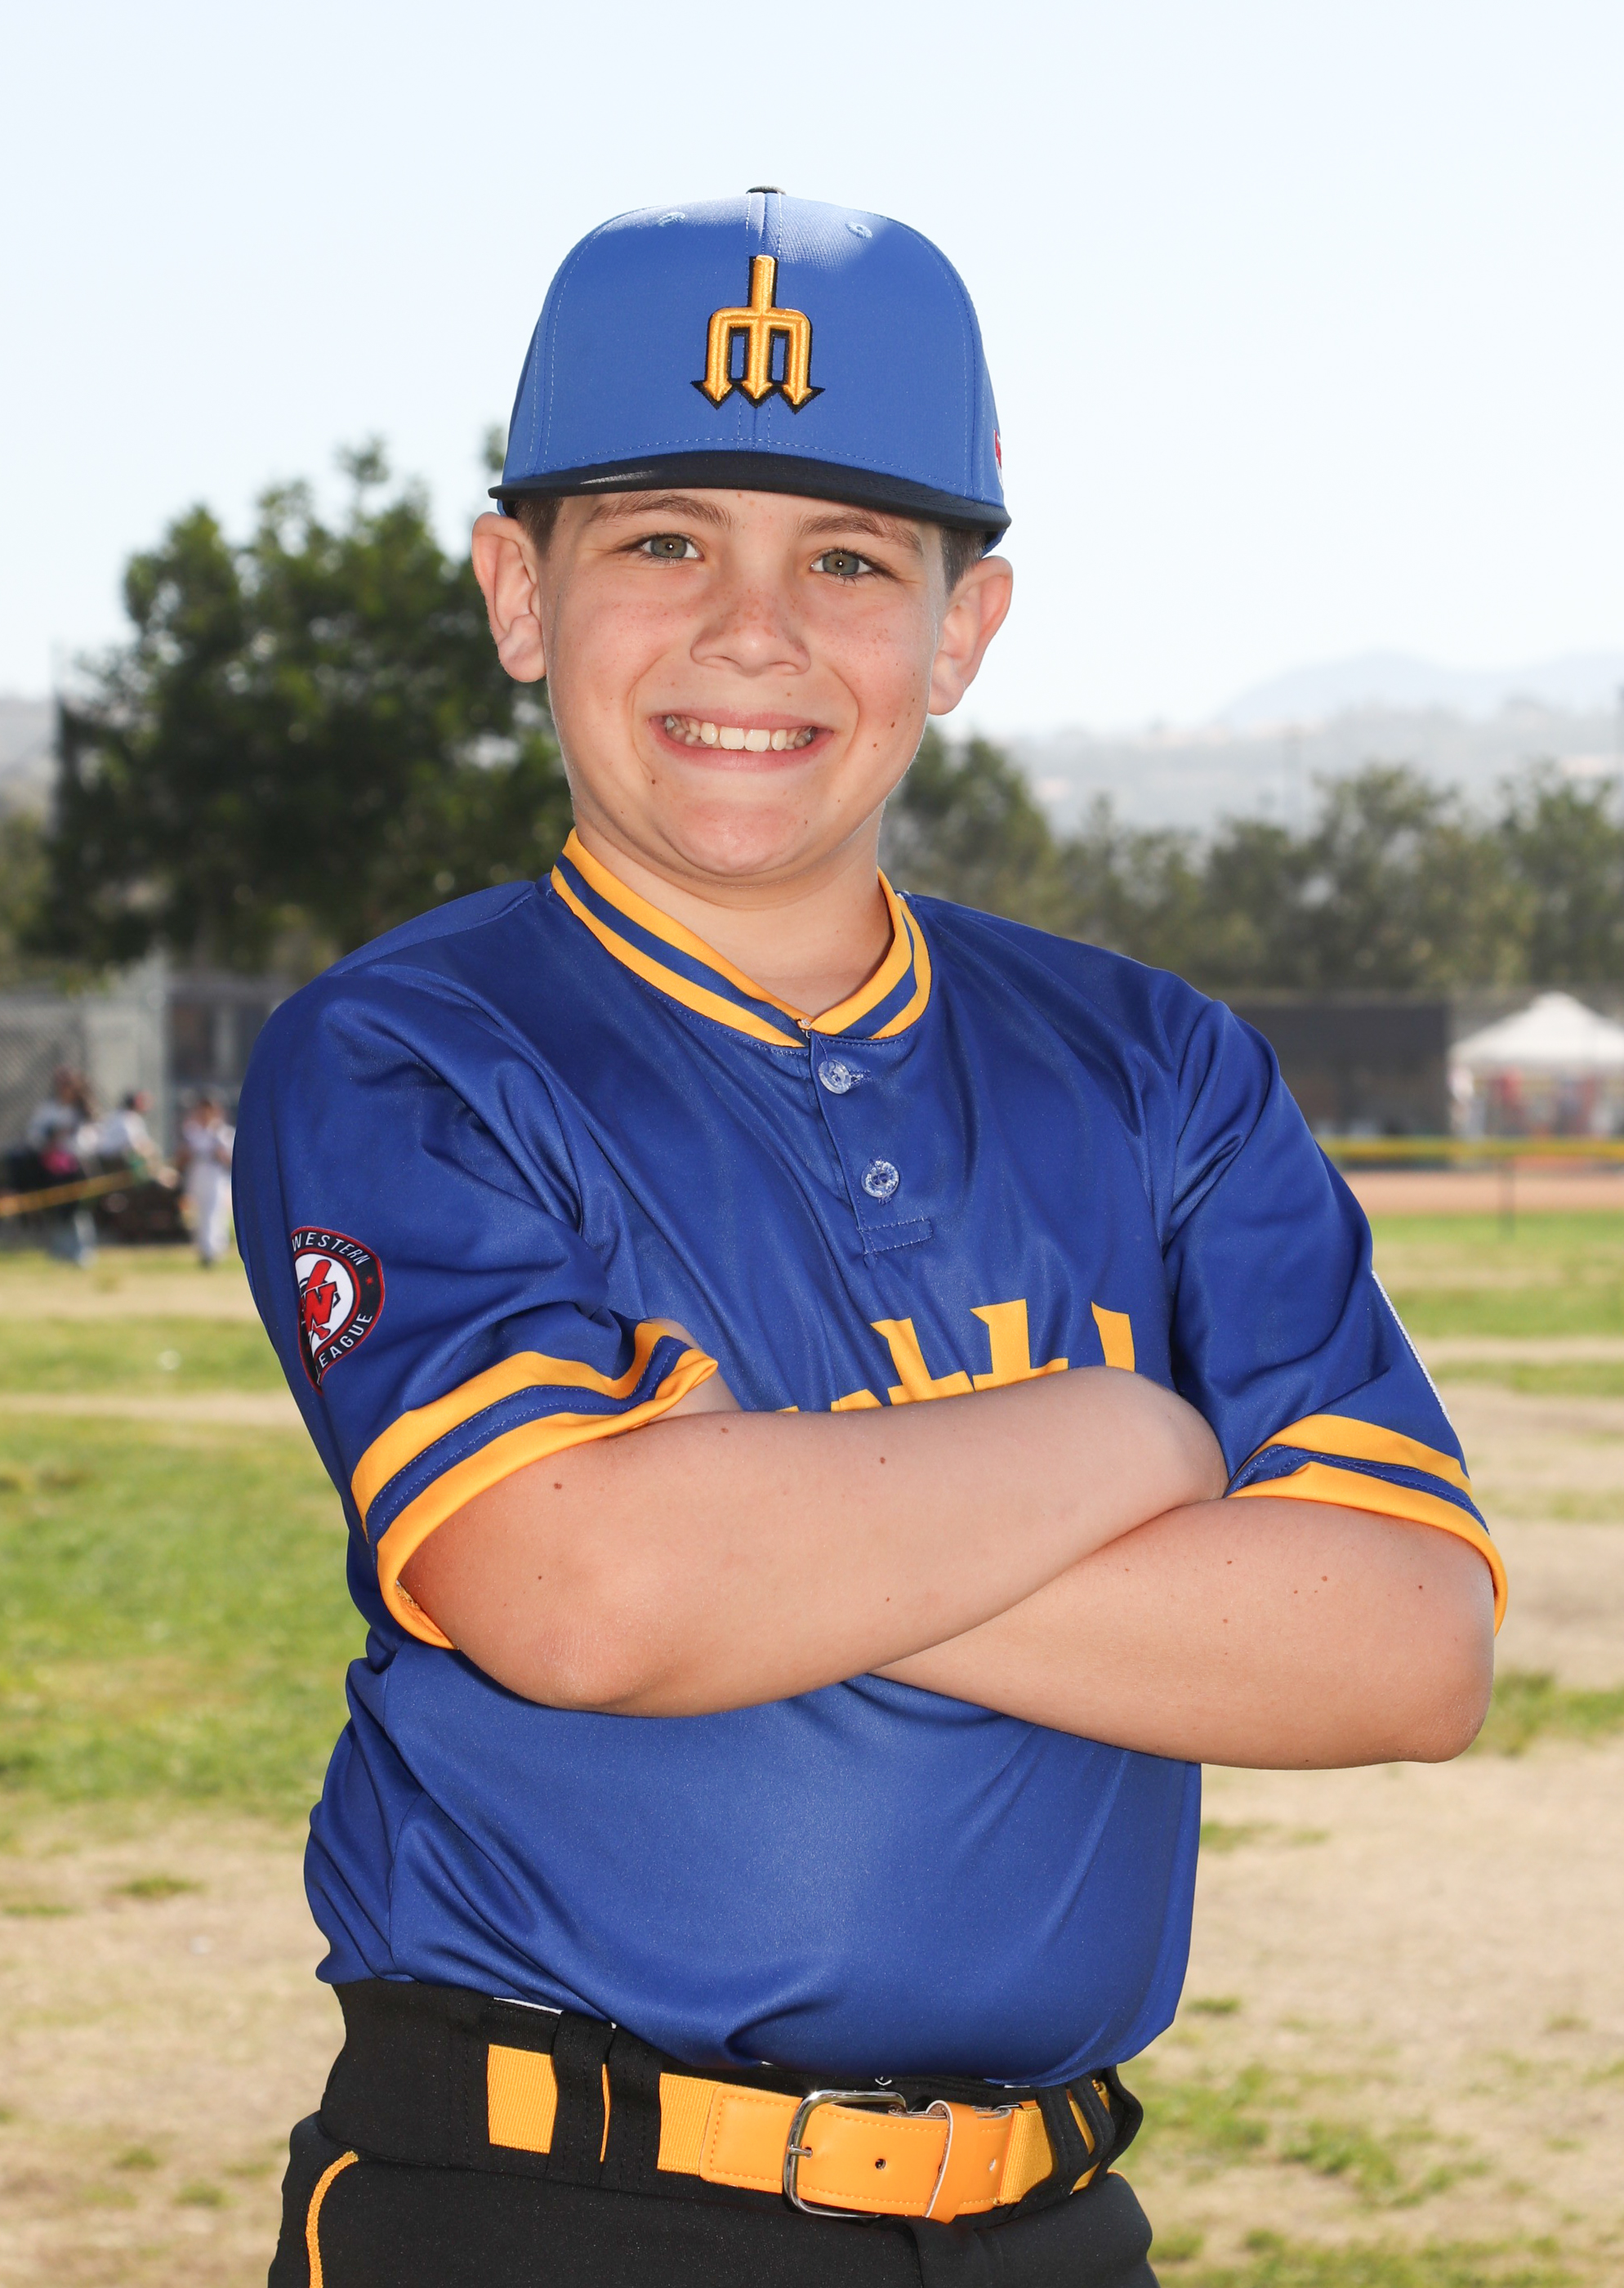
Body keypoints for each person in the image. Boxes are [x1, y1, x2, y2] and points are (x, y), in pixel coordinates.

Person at [235, 192, 1503, 2288]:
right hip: (541, 2204)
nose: (752, 631)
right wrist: (1128, 1436)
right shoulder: (413, 1046)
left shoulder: (1152, 1065)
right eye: (662, 542)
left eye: (846, 560)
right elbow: (580, 1590)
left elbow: (1402, 1644)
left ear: (961, 629)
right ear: (517, 593)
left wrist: (753, 1527)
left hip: (1045, 2224)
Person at [25, 1065, 100, 1264]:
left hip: (78, 1168)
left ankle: (81, 1253)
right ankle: (59, 1253)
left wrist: (68, 1139)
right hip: (51, 1169)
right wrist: (51, 1140)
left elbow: (92, 1142)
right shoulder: (47, 1110)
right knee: (57, 1210)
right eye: (61, 1083)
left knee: (78, 1211)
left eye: (69, 1083)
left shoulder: (85, 1111)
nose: (64, 1087)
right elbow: (34, 1136)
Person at [179, 1093, 234, 1264]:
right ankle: (204, 1249)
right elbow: (181, 1158)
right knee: (199, 1213)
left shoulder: (223, 1132)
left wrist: (218, 1154)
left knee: (214, 1211)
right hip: (197, 1174)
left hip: (215, 1176)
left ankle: (213, 1250)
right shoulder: (191, 1132)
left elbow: (230, 1160)